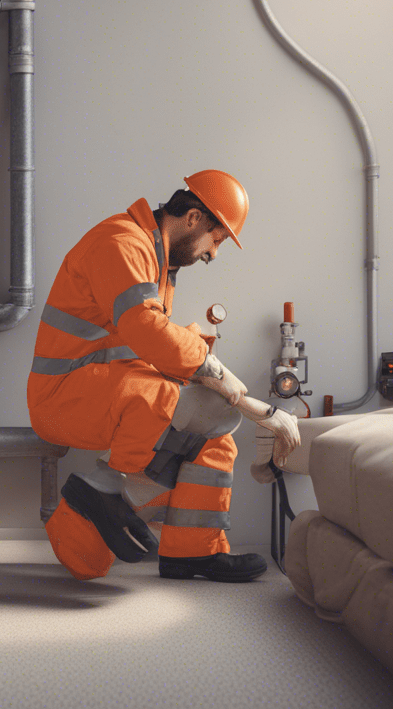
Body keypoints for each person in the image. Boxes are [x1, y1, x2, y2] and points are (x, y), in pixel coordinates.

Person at [27, 169, 301, 582]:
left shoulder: (158, 263)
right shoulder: (122, 243)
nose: (214, 254)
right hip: (63, 395)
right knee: (166, 403)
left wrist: (196, 354)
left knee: (212, 439)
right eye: (218, 239)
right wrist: (222, 379)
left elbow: (142, 344)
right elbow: (146, 331)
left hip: (106, 388)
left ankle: (192, 553)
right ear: (193, 218)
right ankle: (103, 490)